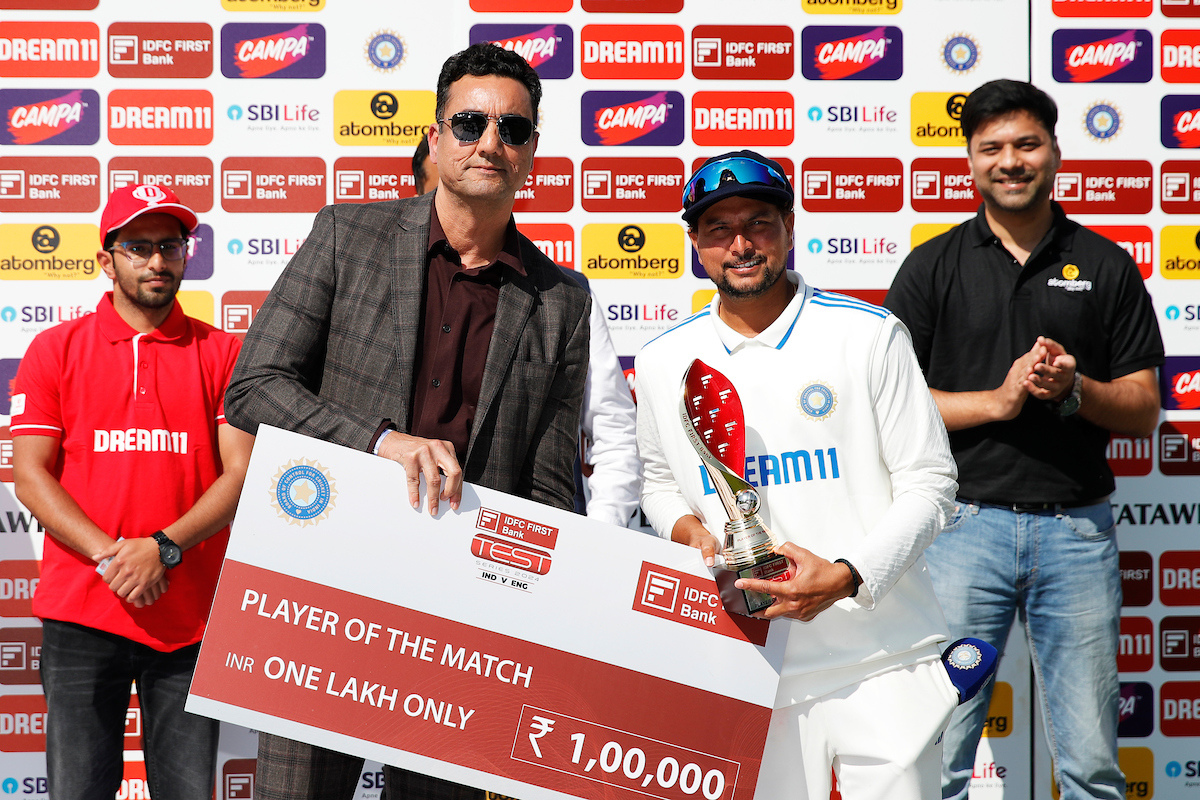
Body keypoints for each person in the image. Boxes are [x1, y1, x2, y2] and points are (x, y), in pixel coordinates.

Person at [224, 43, 591, 800]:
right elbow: (253, 387)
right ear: (434, 135)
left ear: (532, 152)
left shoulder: (563, 298)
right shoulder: (347, 235)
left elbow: (553, 490)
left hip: (464, 633)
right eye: (470, 122)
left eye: (513, 130)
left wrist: (538, 626)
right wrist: (380, 443)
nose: (491, 142)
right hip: (326, 604)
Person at [635, 150, 960, 800]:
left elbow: (931, 484)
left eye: (758, 222)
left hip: (882, 656)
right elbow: (658, 481)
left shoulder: (866, 335)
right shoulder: (663, 358)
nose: (741, 244)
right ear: (695, 242)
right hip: (750, 662)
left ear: (789, 225)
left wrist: (846, 577)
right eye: (719, 229)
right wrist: (689, 531)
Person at [885, 79, 1163, 800]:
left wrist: (1077, 390)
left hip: (1077, 532)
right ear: (970, 162)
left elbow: (1142, 411)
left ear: (1055, 152)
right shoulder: (932, 267)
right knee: (935, 750)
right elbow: (892, 412)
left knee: (1093, 765)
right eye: (992, 148)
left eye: (1026, 143)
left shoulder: (1106, 264)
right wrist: (999, 401)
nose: (1011, 160)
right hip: (959, 531)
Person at [10, 184, 254, 800]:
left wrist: (163, 549)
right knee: (76, 792)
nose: (156, 261)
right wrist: (114, 556)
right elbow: (30, 474)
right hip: (82, 613)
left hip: (189, 619)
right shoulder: (54, 349)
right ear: (106, 258)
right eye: (138, 246)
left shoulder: (222, 352)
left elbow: (241, 472)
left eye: (169, 245)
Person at [412, 138, 640, 526]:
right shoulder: (376, 269)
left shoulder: (566, 296)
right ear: (419, 192)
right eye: (444, 189)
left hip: (507, 550)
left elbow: (613, 430)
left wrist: (595, 538)